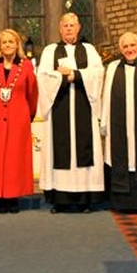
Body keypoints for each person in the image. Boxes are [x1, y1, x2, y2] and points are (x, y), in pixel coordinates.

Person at [37, 12, 105, 213]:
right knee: (60, 150)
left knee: (84, 150)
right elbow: (43, 75)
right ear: (60, 28)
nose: (68, 28)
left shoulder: (89, 50)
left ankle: (84, 199)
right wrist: (61, 77)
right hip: (59, 106)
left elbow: (98, 73)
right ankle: (60, 199)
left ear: (78, 28)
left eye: (72, 25)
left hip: (84, 105)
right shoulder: (50, 51)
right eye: (65, 25)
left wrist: (74, 74)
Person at [0, 29, 39, 213]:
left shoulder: (26, 66)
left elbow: (32, 93)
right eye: (4, 42)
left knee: (15, 158)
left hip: (18, 117)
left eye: (11, 42)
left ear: (17, 44)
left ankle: (13, 198)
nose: (7, 45)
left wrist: (28, 115)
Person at [101, 32, 137, 213]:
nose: (129, 49)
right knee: (122, 155)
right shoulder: (112, 67)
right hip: (119, 123)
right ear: (120, 49)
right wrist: (104, 121)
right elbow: (107, 96)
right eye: (125, 47)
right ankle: (122, 203)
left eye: (132, 45)